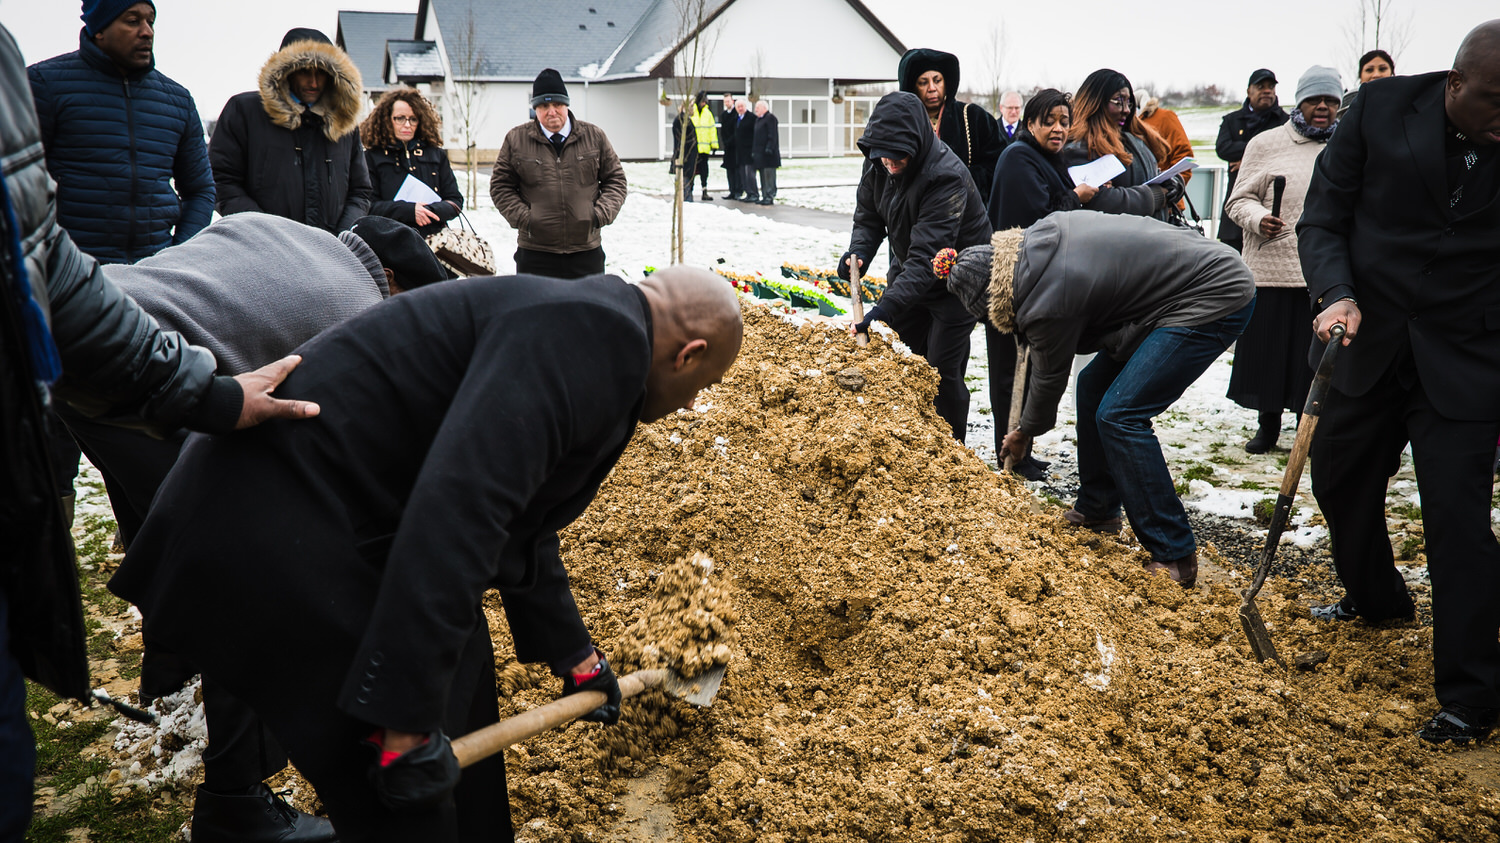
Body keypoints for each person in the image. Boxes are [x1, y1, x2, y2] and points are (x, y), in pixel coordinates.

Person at [109, 266, 744, 843]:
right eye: (703, 385)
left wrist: (575, 657)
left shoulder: (590, 326)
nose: (690, 403)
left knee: (457, 687)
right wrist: (405, 720)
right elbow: (462, 510)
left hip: (319, 516)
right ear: (689, 354)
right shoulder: (594, 339)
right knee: (399, 786)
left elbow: (521, 523)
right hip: (272, 523)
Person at [0, 23, 317, 840]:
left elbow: (191, 195)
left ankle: (169, 660)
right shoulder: (47, 82)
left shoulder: (168, 98)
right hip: (99, 327)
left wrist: (198, 372)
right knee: (112, 501)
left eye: (151, 13)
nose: (143, 26)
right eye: (128, 13)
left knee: (154, 515)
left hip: (126, 321)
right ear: (91, 16)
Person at [59, 213, 442, 843]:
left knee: (179, 535)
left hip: (92, 326)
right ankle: (236, 803)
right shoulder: (354, 307)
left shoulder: (295, 232)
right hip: (147, 368)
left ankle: (174, 661)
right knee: (252, 576)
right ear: (392, 283)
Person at [1298, 20, 1500, 745]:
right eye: (1496, 103)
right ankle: (1379, 599)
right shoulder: (1379, 111)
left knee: (1457, 522)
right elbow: (1322, 220)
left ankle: (1473, 695)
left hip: (1469, 355)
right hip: (1367, 333)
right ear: (1454, 84)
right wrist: (1334, 293)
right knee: (1340, 479)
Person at [940, 212, 1255, 587]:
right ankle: (1099, 508)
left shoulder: (1047, 298)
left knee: (1120, 414)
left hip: (1212, 294)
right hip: (1170, 291)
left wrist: (1025, 432)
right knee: (1092, 385)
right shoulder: (1038, 243)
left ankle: (1175, 554)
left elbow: (1049, 374)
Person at [841, 91, 992, 442]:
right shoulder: (879, 160)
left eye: (898, 158)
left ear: (917, 145)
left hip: (956, 284)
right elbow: (868, 216)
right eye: (882, 158)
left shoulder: (945, 177)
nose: (889, 165)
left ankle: (951, 452)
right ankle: (908, 444)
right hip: (911, 274)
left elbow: (928, 259)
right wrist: (859, 252)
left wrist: (882, 310)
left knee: (940, 371)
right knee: (902, 359)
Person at [28, 0, 213, 265]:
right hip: (69, 278)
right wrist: (51, 260)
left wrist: (176, 257)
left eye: (151, 21)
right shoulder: (43, 85)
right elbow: (16, 186)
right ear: (99, 28)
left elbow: (200, 191)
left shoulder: (177, 101)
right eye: (132, 20)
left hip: (155, 279)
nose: (147, 31)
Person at [1224, 66, 1342, 454]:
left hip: (1322, 272)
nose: (1322, 107)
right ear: (1300, 102)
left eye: (1330, 101)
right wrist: (1260, 219)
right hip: (1272, 267)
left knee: (1311, 357)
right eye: (1314, 100)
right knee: (1270, 353)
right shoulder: (1266, 143)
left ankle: (1305, 429)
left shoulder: (1348, 146)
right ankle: (1267, 425)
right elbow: (1237, 201)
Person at [985, 88, 1095, 479]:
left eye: (1064, 121)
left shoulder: (1048, 159)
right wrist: (1076, 197)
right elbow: (1038, 221)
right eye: (1048, 121)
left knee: (1031, 369)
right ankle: (1008, 453)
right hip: (1011, 282)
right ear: (1030, 123)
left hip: (1036, 281)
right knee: (1009, 371)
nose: (1058, 129)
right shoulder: (1018, 158)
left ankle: (1022, 449)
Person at [210, 28, 370, 233]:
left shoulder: (344, 123)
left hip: (330, 254)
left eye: (321, 72)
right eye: (304, 71)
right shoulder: (245, 111)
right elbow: (221, 181)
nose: (313, 82)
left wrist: (342, 237)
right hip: (261, 249)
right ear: (286, 71)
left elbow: (360, 192)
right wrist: (267, 232)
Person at [490, 68, 628, 279]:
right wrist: (527, 219)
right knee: (538, 312)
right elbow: (501, 187)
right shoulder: (516, 139)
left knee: (586, 311)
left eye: (557, 104)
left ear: (566, 105)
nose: (551, 111)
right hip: (535, 253)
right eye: (544, 106)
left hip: (586, 251)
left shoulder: (594, 136)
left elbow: (615, 180)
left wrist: (599, 214)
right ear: (535, 109)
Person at [1061, 69, 1183, 221]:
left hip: (1150, 236)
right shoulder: (1079, 148)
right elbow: (1100, 200)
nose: (1126, 110)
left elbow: (1152, 177)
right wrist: (1154, 197)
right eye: (1118, 102)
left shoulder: (1134, 140)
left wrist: (1175, 183)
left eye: (1129, 103)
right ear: (1095, 102)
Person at [897, 48, 1005, 204]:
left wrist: (962, 179)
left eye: (937, 80)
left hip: (967, 211)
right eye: (923, 82)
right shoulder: (902, 124)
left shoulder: (974, 117)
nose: (932, 88)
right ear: (913, 87)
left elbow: (998, 164)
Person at [360, 87, 462, 237]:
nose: (407, 125)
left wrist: (430, 211)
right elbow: (367, 205)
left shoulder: (436, 155)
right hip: (389, 240)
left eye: (413, 119)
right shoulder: (371, 158)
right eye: (400, 118)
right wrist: (409, 211)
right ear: (387, 120)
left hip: (434, 242)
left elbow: (455, 201)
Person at [1216, 68, 1289, 251]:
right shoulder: (1232, 120)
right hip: (1235, 211)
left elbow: (1287, 152)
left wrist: (1249, 161)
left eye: (1271, 87)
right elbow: (1223, 148)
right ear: (1249, 90)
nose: (1267, 91)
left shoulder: (1286, 122)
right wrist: (1260, 150)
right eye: (1261, 86)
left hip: (1273, 211)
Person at [1135, 89, 1196, 208]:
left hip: (1166, 205)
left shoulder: (1164, 117)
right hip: (1137, 204)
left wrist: (1173, 188)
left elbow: (1184, 155)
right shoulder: (1121, 122)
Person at [1340, 48, 1396, 117]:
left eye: (1382, 69)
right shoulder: (1348, 105)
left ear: (1392, 73)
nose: (1376, 75)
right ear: (1360, 76)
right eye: (1369, 70)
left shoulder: (1406, 104)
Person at [689, 91, 719, 201]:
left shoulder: (708, 114)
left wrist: (714, 144)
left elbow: (712, 130)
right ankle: (690, 191)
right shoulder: (692, 112)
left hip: (705, 149)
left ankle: (704, 191)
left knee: (704, 171)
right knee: (692, 170)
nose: (704, 103)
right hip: (694, 148)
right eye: (703, 101)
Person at [751, 100, 781, 205]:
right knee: (763, 176)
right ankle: (764, 195)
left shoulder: (770, 119)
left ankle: (770, 195)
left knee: (769, 176)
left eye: (757, 108)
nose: (755, 110)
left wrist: (769, 147)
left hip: (769, 155)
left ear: (764, 108)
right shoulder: (759, 120)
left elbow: (772, 135)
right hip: (760, 155)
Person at [669, 102, 699, 203]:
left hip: (688, 159)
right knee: (685, 185)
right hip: (685, 160)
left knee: (687, 184)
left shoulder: (685, 120)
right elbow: (681, 143)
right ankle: (687, 203)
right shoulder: (681, 121)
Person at [734, 98, 760, 203]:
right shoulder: (737, 119)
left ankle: (754, 193)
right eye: (738, 107)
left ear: (745, 107)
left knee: (750, 174)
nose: (740, 108)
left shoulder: (752, 118)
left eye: (742, 106)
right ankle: (748, 192)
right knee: (743, 174)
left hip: (749, 150)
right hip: (740, 151)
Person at [719, 93, 743, 199]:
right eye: (725, 102)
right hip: (728, 147)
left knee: (737, 170)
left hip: (736, 146)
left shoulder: (736, 114)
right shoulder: (724, 115)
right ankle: (732, 190)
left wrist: (731, 140)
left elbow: (737, 130)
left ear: (732, 101)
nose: (726, 103)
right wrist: (725, 142)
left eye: (728, 101)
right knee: (729, 170)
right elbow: (723, 131)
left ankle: (738, 190)